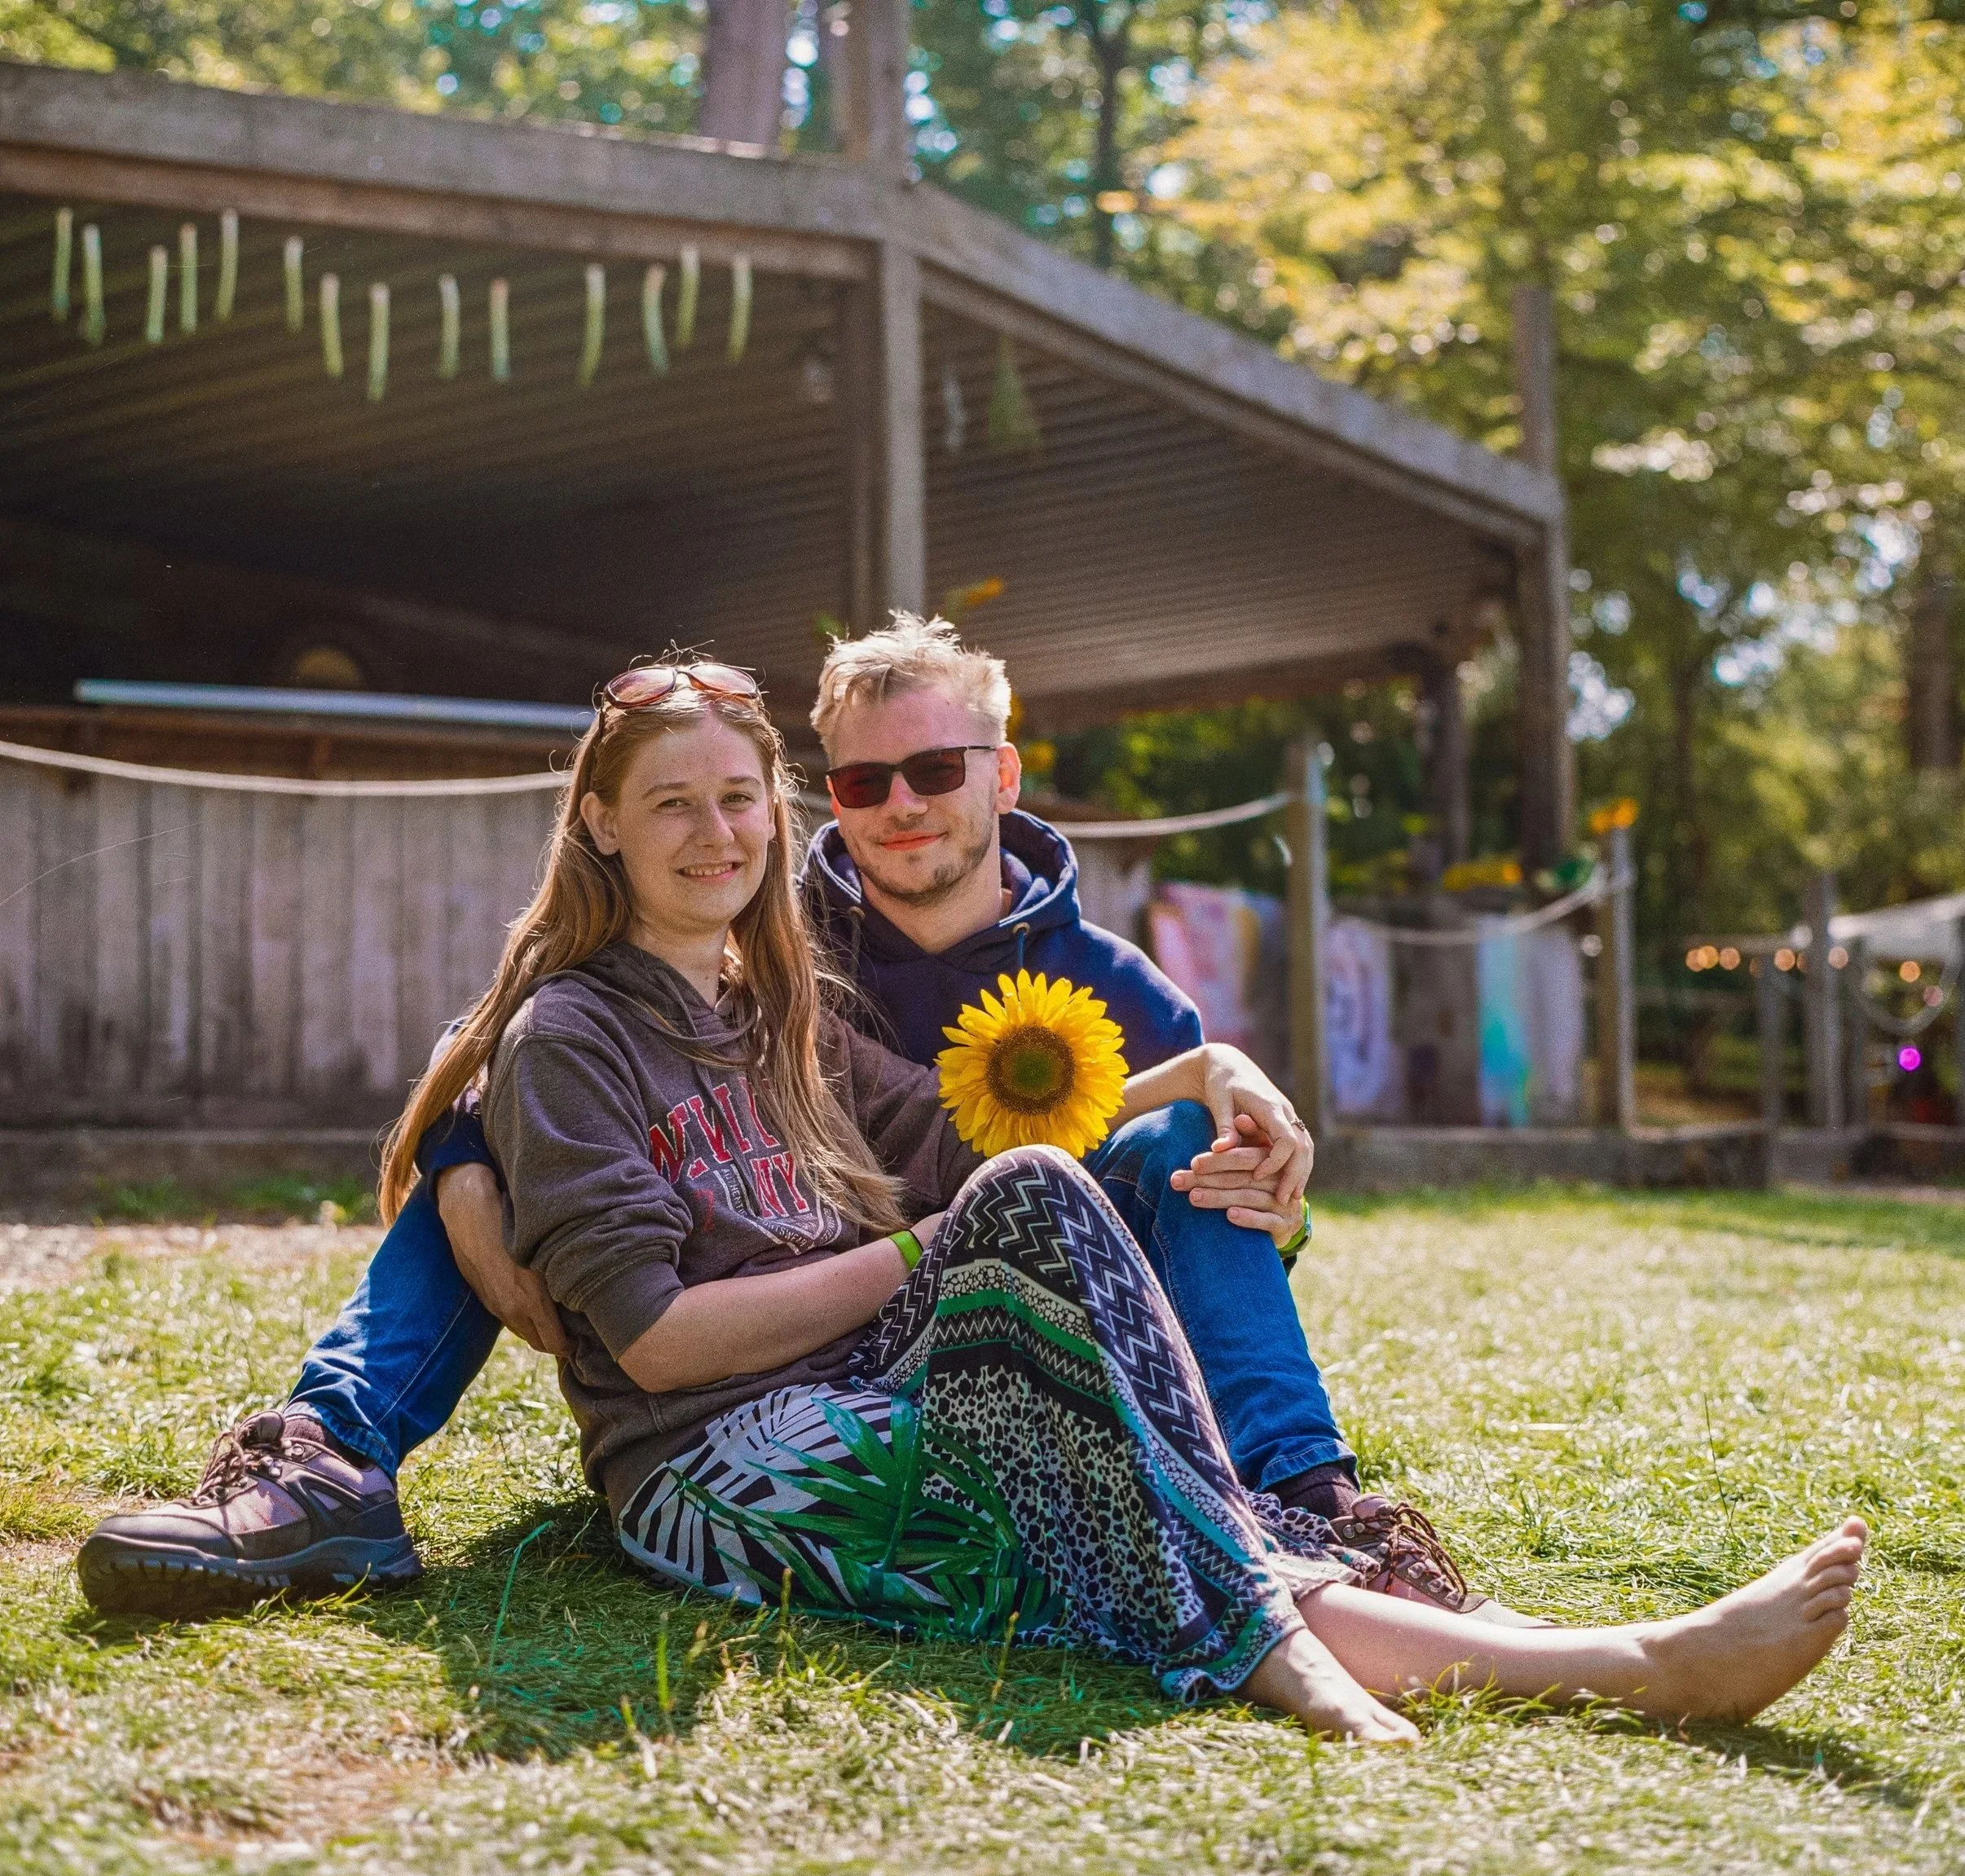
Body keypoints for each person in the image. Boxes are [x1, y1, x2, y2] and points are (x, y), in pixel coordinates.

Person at [219, 660, 1874, 1742]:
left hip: (853, 1389)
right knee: (1080, 1460)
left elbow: (1002, 1145)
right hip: (712, 1455)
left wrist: (1209, 1064)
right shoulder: (579, 1028)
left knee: (1046, 1249)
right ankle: (1596, 1662)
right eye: (675, 802)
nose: (723, 829)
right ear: (600, 821)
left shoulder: (781, 996)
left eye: (741, 799)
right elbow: (651, 1348)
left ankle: (1304, 1571)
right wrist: (467, 1162)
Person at [77, 625, 1463, 1619]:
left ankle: (1316, 1500)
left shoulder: (1102, 986)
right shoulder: (773, 921)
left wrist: (1223, 1076)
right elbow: (548, 1006)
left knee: (1157, 1144)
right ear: (826, 796)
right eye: (863, 782)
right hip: (753, 1302)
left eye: (935, 769)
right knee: (508, 1142)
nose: (902, 804)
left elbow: (1167, 1218)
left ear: (1003, 774)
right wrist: (457, 1155)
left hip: (947, 1295)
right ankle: (331, 1455)